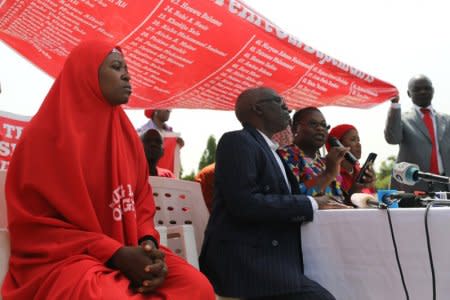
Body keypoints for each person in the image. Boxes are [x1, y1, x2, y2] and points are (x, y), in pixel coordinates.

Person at [1, 40, 214, 300]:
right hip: (68, 258)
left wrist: (148, 244)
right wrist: (112, 253)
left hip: (128, 247)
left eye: (126, 67)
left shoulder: (126, 134)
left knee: (196, 286)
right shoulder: (44, 136)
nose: (127, 74)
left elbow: (141, 202)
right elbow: (35, 225)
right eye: (116, 67)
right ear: (86, 74)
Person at [200, 87, 345, 300]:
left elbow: (287, 199)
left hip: (278, 256)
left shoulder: (271, 150)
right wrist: (310, 204)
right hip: (247, 262)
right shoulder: (238, 141)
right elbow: (244, 204)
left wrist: (314, 200)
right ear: (258, 109)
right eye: (279, 102)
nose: (287, 107)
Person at [385, 74, 450, 192]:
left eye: (427, 88)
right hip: (413, 185)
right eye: (417, 89)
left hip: (445, 183)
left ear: (433, 90)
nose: (423, 92)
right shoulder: (402, 118)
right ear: (409, 93)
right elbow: (392, 139)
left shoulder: (446, 120)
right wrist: (394, 105)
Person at [327, 124, 376, 195]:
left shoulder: (361, 173)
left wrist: (372, 185)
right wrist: (353, 191)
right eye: (353, 140)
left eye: (358, 140)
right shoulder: (330, 174)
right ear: (338, 145)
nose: (358, 144)